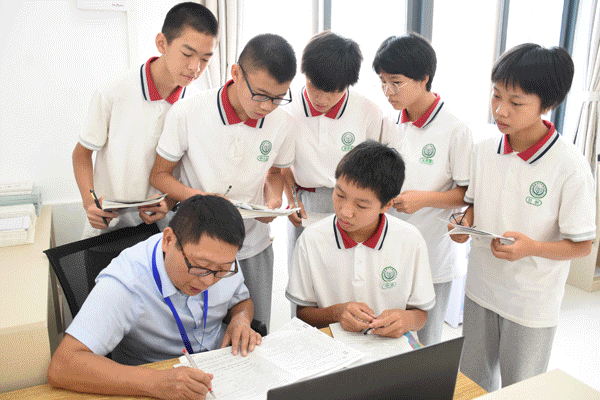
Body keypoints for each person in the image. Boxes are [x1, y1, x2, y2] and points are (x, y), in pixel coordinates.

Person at [449, 43, 595, 392]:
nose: (500, 110)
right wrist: (462, 222)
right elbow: (474, 205)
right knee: (472, 383)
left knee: (522, 389)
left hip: (530, 302)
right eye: (496, 96)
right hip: (481, 288)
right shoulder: (484, 150)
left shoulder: (570, 166)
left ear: (548, 104)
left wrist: (531, 248)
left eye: (516, 102)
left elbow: (582, 245)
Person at [150, 34, 298, 332]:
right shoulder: (189, 112)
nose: (267, 106)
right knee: (194, 333)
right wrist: (202, 199)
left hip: (252, 244)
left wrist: (272, 201)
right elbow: (160, 175)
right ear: (236, 73)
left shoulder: (283, 123)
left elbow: (274, 174)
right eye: (260, 95)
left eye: (278, 97)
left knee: (254, 332)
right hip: (197, 248)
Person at [48, 195, 262, 399]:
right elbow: (63, 366)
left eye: (221, 270)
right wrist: (156, 382)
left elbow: (241, 301)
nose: (208, 281)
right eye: (200, 267)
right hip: (155, 383)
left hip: (223, 373)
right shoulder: (127, 281)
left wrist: (241, 319)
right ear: (168, 240)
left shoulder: (221, 258)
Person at [72, 2, 218, 236]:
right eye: (187, 54)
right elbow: (81, 155)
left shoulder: (197, 105)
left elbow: (185, 170)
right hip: (107, 227)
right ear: (162, 43)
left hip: (161, 229)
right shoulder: (113, 92)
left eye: (205, 59)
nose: (195, 67)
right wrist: (89, 201)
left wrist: (169, 202)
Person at [374, 33, 473, 345]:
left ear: (424, 78)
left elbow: (466, 195)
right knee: (388, 333)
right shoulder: (390, 122)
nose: (387, 91)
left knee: (427, 340)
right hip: (390, 247)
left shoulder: (455, 130)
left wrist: (423, 199)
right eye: (382, 82)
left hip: (433, 250)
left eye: (396, 83)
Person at [286, 140, 435, 337]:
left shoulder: (410, 240)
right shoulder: (311, 239)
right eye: (340, 195)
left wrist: (406, 320)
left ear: (387, 205)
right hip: (332, 347)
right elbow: (303, 313)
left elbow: (421, 315)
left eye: (362, 205)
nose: (345, 212)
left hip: (388, 347)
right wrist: (336, 313)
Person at [282, 31, 383, 282]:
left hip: (354, 208)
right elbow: (280, 165)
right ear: (304, 75)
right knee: (304, 283)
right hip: (305, 204)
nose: (322, 99)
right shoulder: (287, 108)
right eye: (314, 87)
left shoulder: (368, 112)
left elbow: (376, 171)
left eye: (333, 92)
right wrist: (292, 199)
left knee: (349, 282)